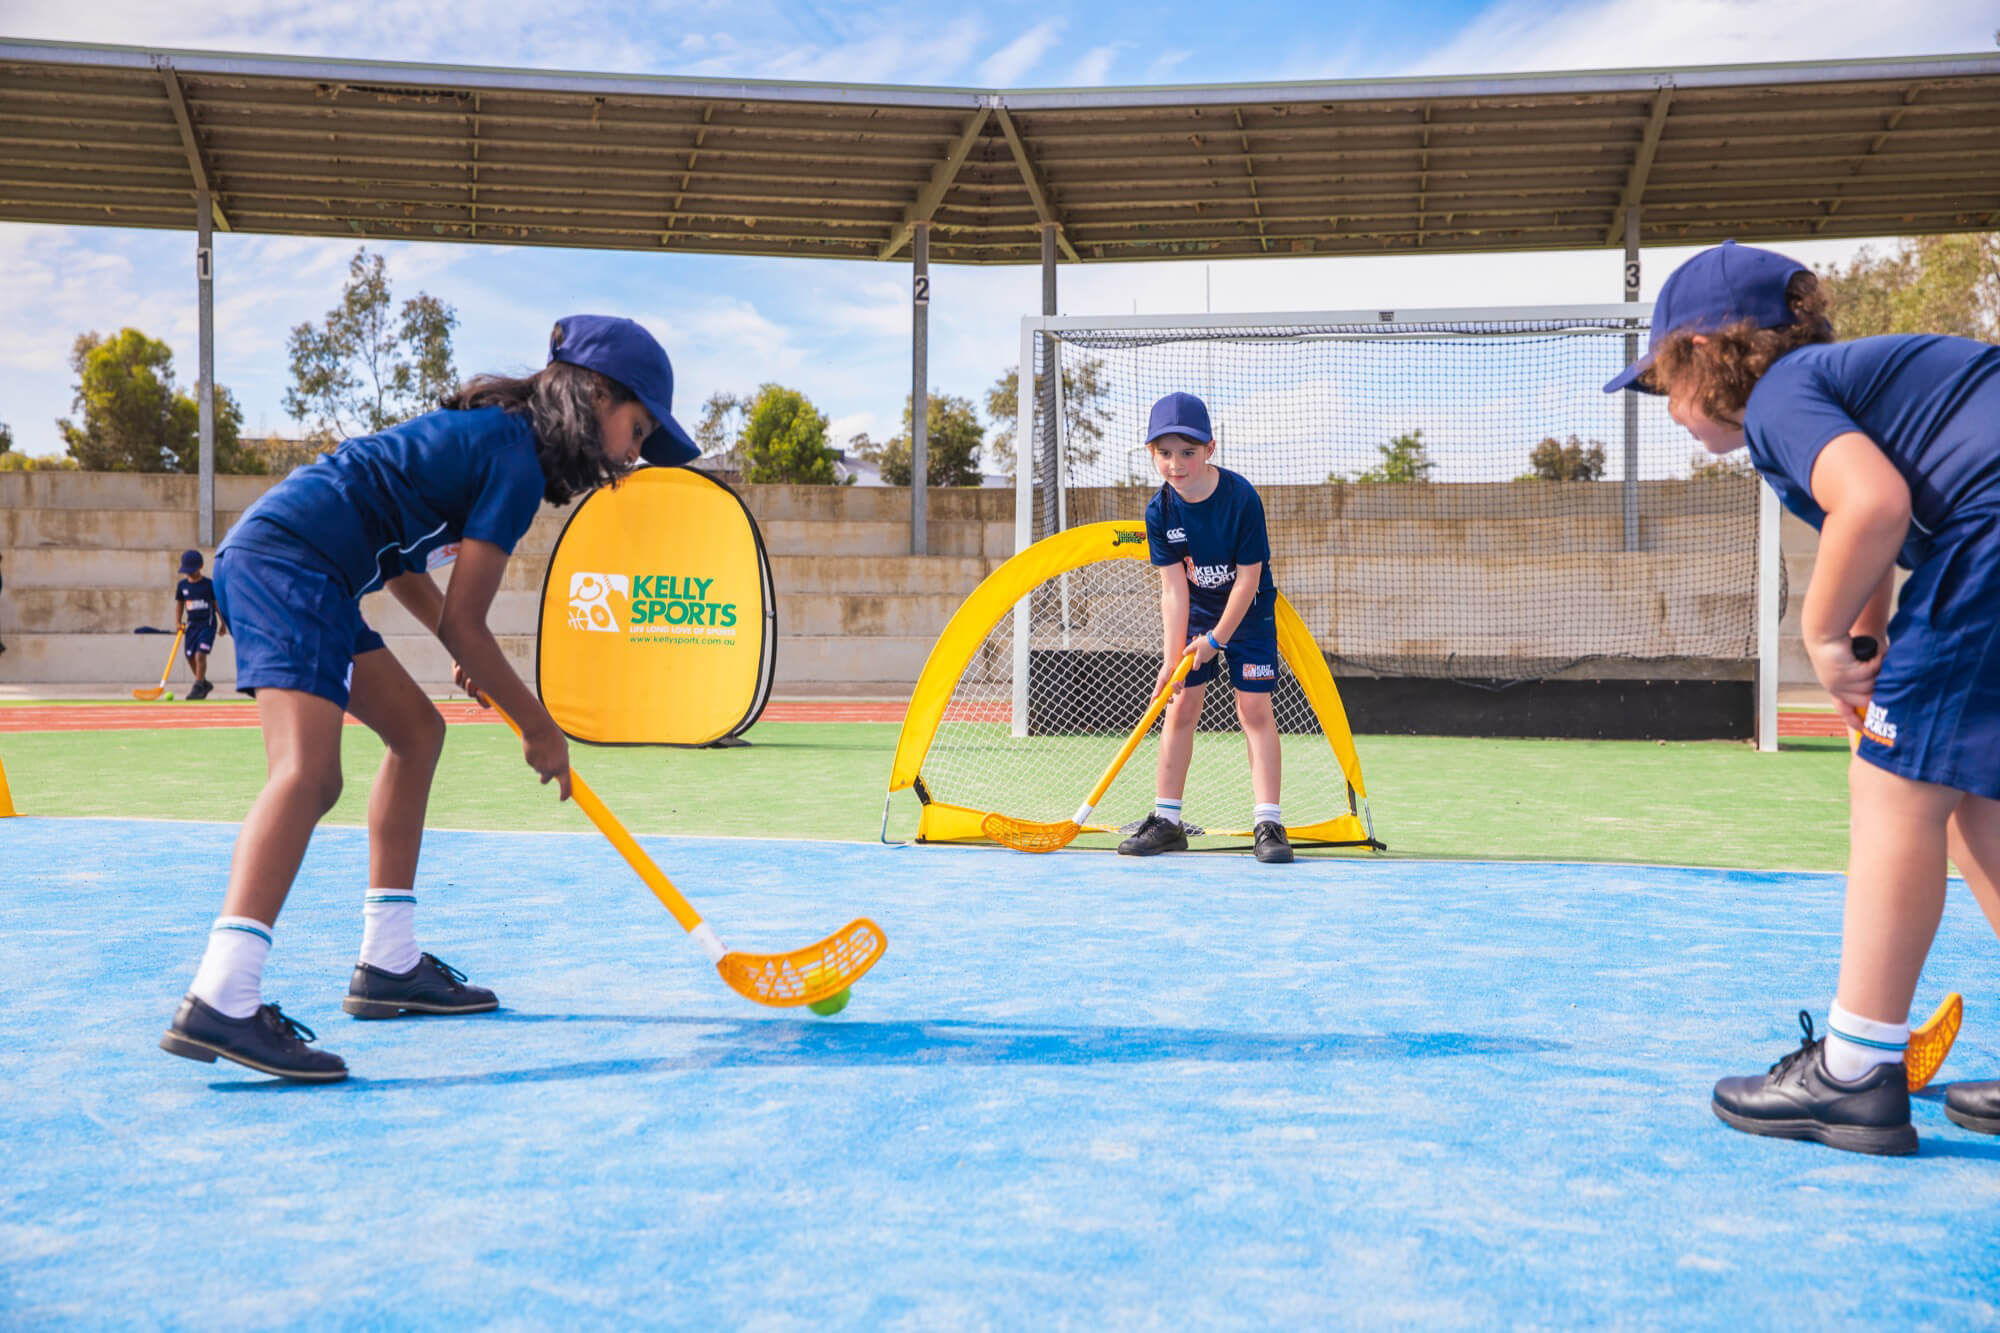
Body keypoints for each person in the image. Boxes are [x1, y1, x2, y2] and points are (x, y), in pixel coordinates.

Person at [158, 316, 701, 1082]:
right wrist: (539, 726)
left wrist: (461, 642)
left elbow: (403, 563)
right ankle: (223, 992)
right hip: (290, 563)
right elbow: (464, 624)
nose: (634, 452)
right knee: (309, 773)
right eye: (637, 428)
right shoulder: (513, 457)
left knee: (418, 731)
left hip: (314, 569)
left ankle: (388, 960)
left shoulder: (500, 441)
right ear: (596, 394)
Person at [1606, 240, 2000, 1155]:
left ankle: (1855, 1071)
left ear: (1709, 352)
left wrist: (1821, 641)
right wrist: (1866, 645)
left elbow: (1876, 508)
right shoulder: (1841, 392)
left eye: (1666, 380)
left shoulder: (1783, 396)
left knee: (1894, 786)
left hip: (1989, 530)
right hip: (1981, 526)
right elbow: (1870, 538)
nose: (1667, 407)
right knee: (1974, 802)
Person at [1119, 392, 1292, 865]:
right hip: (1197, 610)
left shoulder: (1241, 498)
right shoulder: (1159, 512)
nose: (1176, 464)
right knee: (1179, 707)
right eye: (1164, 452)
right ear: (1151, 452)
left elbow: (1249, 578)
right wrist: (1170, 659)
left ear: (1210, 449)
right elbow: (1174, 590)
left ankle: (1268, 823)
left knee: (1253, 709)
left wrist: (1217, 640)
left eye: (1188, 452)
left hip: (1248, 610)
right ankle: (1167, 821)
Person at [174, 549, 222, 700]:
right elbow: (180, 604)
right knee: (189, 656)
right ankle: (203, 682)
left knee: (200, 654)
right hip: (192, 626)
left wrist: (223, 623)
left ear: (200, 566)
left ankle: (198, 686)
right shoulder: (182, 586)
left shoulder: (208, 585)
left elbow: (216, 604)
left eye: (192, 570)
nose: (190, 573)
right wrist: (178, 621)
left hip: (207, 625)